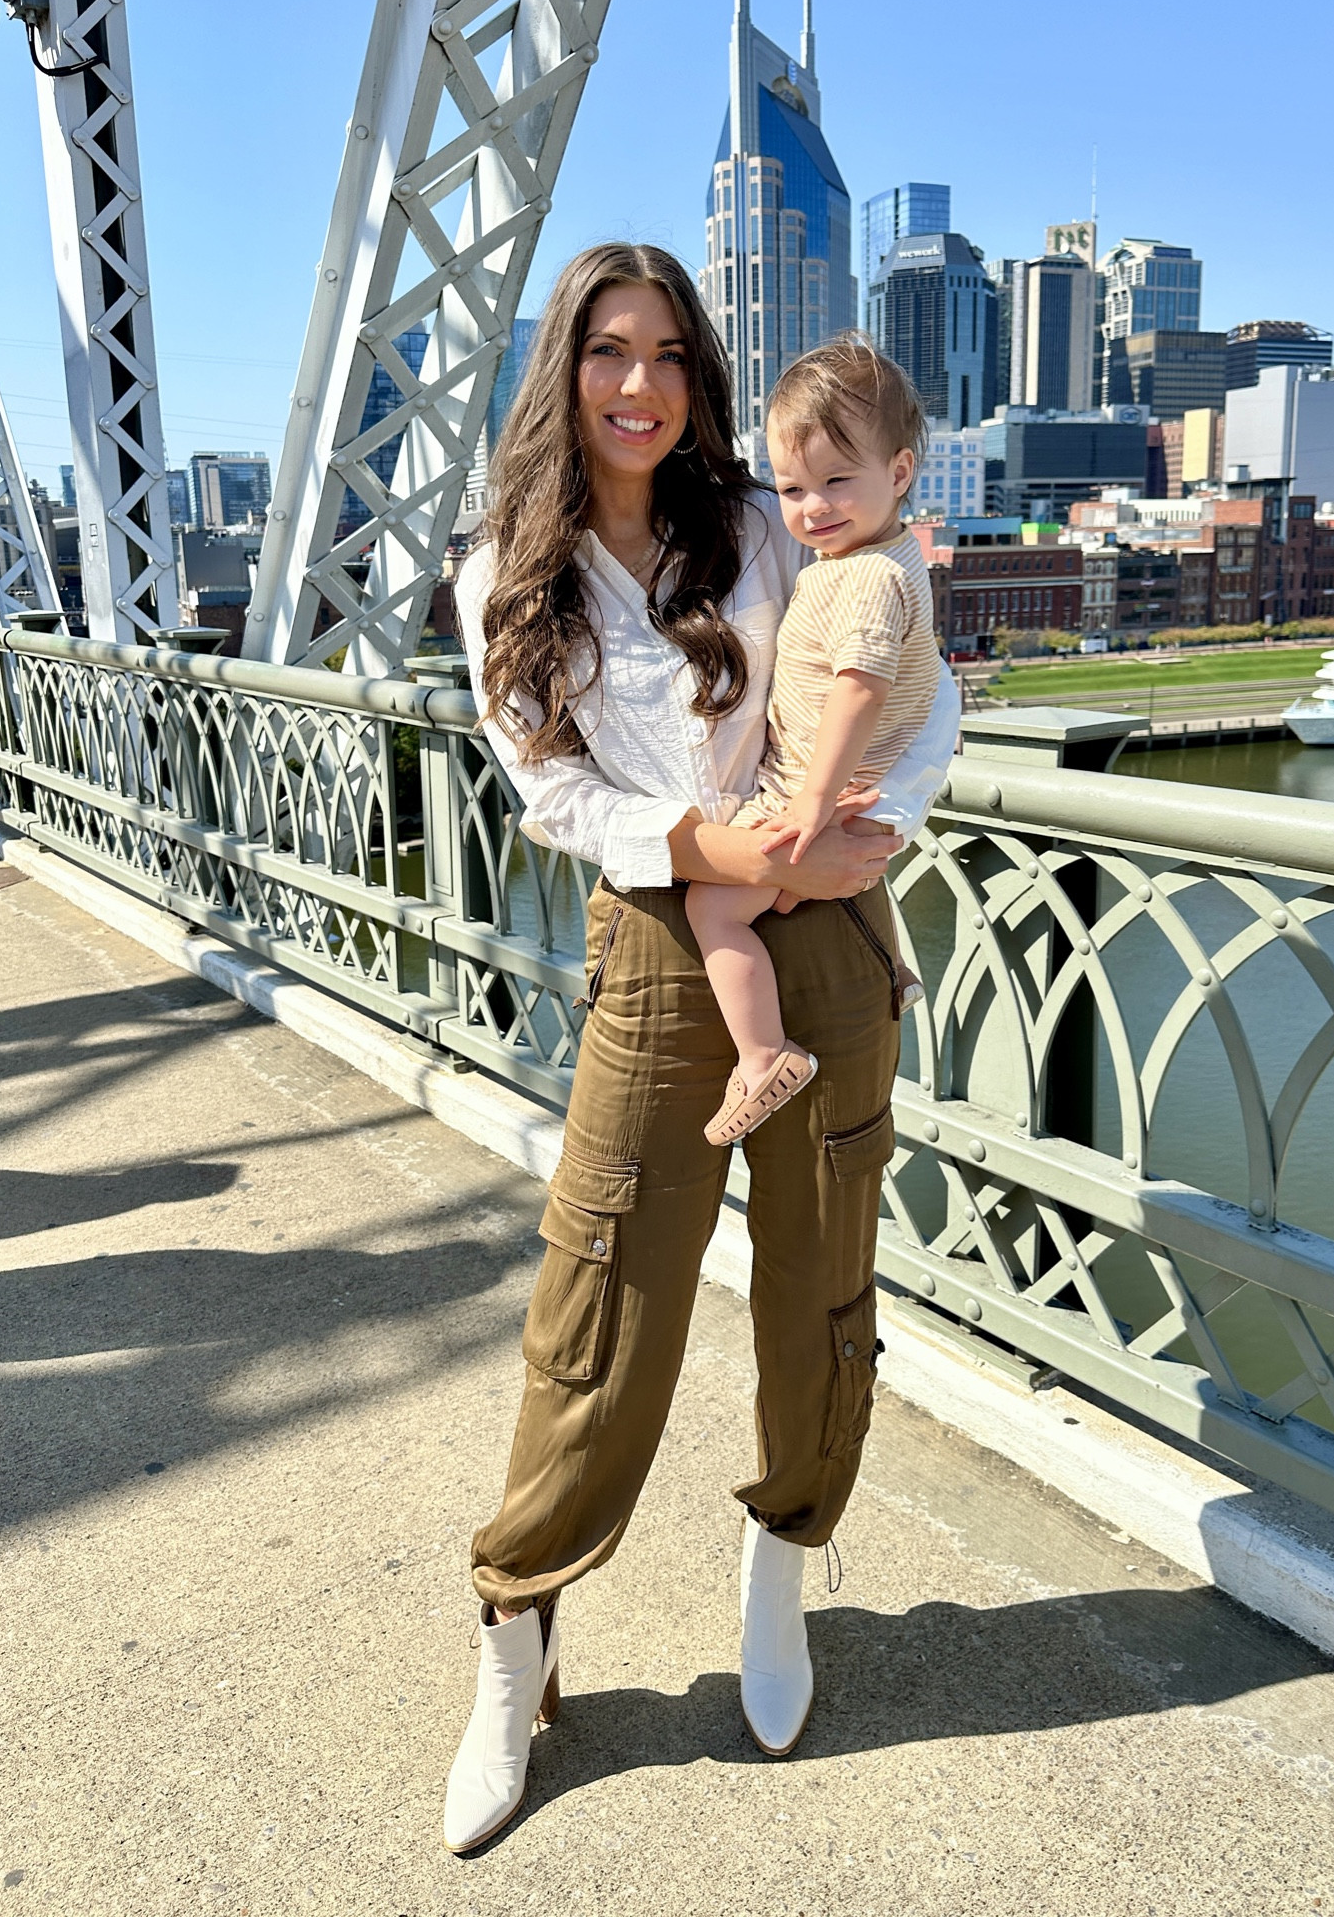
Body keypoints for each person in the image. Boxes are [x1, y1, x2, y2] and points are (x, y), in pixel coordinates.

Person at [444, 243, 957, 1854]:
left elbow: (909, 690)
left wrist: (862, 833)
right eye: (608, 350)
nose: (640, 384)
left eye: (670, 351)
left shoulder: (759, 522)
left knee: (820, 1280)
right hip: (671, 937)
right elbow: (557, 799)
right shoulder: (501, 578)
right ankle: (513, 1632)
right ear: (565, 368)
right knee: (601, 1293)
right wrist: (726, 854)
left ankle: (782, 1563)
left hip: (827, 924)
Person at [687, 337, 934, 1148]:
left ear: (898, 472)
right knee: (799, 889)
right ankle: (888, 969)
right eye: (792, 488)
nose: (812, 507)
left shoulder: (863, 576)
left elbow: (858, 686)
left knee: (715, 905)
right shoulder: (877, 553)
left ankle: (764, 1057)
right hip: (856, 782)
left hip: (819, 781)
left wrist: (812, 801)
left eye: (836, 481)